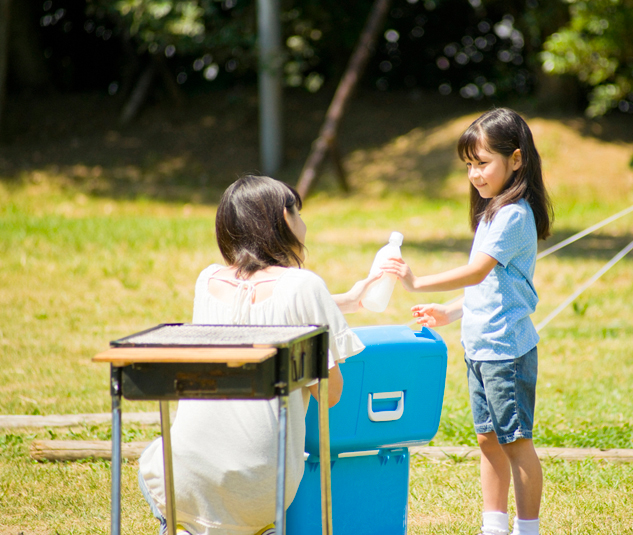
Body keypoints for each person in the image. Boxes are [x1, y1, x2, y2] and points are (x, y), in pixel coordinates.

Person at [137, 175, 378, 535]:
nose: (305, 224)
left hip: (183, 480)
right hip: (262, 484)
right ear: (283, 218)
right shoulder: (306, 286)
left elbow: (251, 321)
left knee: (153, 460)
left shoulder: (208, 282)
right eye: (299, 212)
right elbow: (330, 394)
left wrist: (343, 302)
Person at [380, 108, 553, 535]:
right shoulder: (495, 210)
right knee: (488, 441)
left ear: (516, 160)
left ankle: (526, 530)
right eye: (470, 165)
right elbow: (490, 287)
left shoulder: (513, 214)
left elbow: (476, 272)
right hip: (481, 347)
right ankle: (493, 527)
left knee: (515, 442)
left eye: (484, 163)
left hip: (505, 351)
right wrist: (451, 312)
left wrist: (418, 283)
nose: (475, 174)